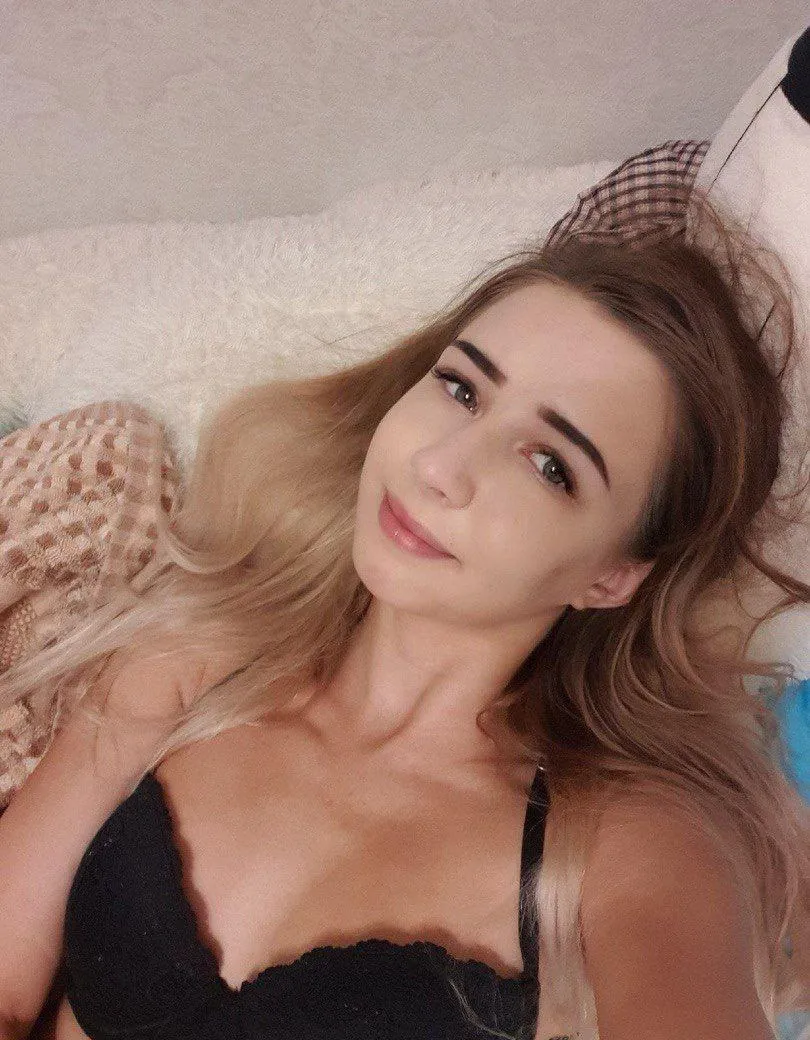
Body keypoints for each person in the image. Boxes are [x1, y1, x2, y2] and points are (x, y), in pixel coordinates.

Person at [0, 183, 807, 1040]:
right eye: (461, 389)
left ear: (612, 576)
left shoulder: (621, 845)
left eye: (550, 465)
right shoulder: (194, 662)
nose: (442, 468)